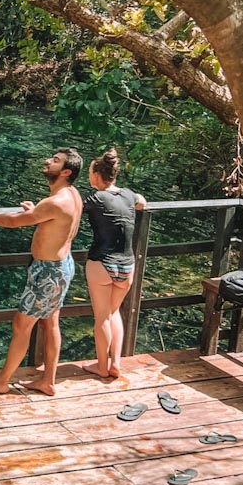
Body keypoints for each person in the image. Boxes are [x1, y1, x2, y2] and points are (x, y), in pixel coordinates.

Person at [0, 148, 83, 396]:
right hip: (61, 267)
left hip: (48, 273)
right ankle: (48, 381)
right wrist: (36, 213)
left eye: (55, 161)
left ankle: (1, 382)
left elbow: (12, 222)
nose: (47, 161)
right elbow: (52, 220)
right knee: (50, 322)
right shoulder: (72, 195)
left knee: (22, 325)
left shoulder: (56, 202)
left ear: (66, 172)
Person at [81, 147, 146, 379]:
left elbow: (71, 209)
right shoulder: (129, 194)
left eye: (90, 173)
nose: (89, 178)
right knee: (114, 312)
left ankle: (101, 366)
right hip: (127, 265)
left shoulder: (95, 198)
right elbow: (142, 203)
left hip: (102, 263)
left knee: (101, 318)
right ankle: (115, 362)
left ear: (98, 175)